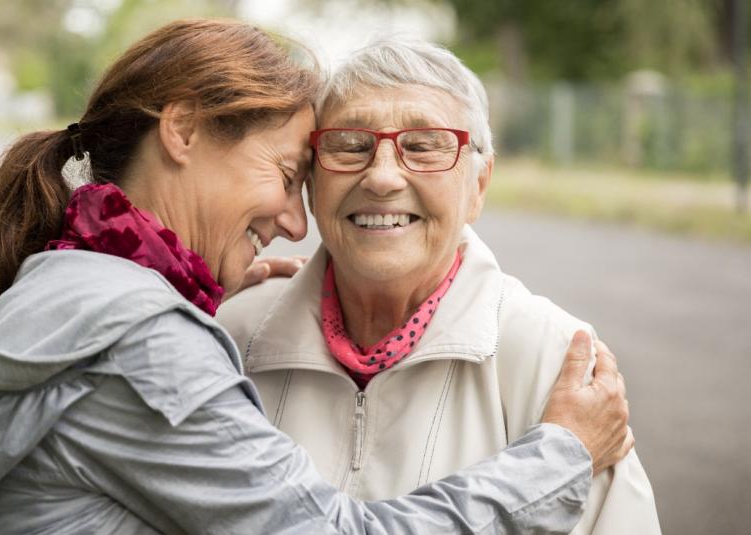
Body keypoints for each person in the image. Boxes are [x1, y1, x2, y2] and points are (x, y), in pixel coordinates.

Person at [0, 19, 632, 535]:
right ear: (181, 131)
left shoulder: (72, 283)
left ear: (480, 180)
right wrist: (560, 456)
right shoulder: (152, 342)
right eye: (291, 171)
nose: (293, 218)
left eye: (425, 147)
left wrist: (185, 313)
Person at [217, 36, 660, 534]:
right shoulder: (229, 336)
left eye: (424, 147)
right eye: (350, 145)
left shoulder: (555, 360)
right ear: (312, 185)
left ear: (479, 186)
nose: (382, 178)